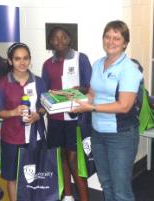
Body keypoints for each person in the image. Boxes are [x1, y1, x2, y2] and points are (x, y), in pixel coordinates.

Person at [71, 20, 143, 201]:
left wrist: (92, 107)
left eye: (116, 38)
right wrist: (72, 100)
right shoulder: (97, 64)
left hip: (121, 135)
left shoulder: (129, 69)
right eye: (107, 37)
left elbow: (124, 105)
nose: (111, 41)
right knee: (106, 183)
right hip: (98, 133)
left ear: (125, 43)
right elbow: (92, 95)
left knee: (121, 189)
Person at [42, 26, 92, 201]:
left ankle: (85, 198)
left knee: (74, 161)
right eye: (55, 38)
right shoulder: (47, 64)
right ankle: (68, 196)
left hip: (75, 118)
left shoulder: (81, 59)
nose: (60, 41)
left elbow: (89, 86)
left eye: (63, 37)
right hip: (55, 118)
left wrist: (80, 89)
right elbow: (45, 91)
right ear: (51, 42)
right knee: (61, 157)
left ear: (69, 39)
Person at [0, 42, 46, 201]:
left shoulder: (39, 82)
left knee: (34, 176)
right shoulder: (3, 83)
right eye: (17, 59)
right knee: (12, 177)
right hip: (11, 138)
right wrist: (13, 112)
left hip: (34, 138)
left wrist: (38, 115)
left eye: (25, 58)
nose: (22, 62)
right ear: (10, 61)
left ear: (30, 59)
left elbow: (44, 106)